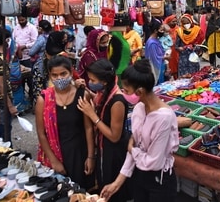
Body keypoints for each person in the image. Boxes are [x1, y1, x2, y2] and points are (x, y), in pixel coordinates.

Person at [100, 59, 179, 202]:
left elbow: (154, 162)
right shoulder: (139, 109)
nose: (123, 93)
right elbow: (136, 149)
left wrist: (132, 149)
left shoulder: (164, 118)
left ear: (140, 91)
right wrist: (116, 184)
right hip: (140, 176)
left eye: (126, 90)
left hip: (159, 181)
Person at [35, 56, 95, 190]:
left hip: (80, 154)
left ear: (71, 72)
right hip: (56, 154)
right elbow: (41, 133)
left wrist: (90, 157)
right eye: (54, 75)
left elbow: (88, 128)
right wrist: (54, 161)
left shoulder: (82, 95)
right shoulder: (43, 99)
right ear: (49, 76)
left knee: (81, 193)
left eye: (63, 74)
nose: (59, 78)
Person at [77, 59, 131, 202]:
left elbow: (114, 136)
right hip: (105, 148)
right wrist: (87, 91)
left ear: (105, 81)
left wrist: (92, 115)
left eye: (93, 80)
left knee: (113, 191)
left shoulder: (118, 101)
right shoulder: (104, 92)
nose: (91, 82)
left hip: (114, 152)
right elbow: (101, 103)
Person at [13, 16, 38, 101]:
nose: (21, 21)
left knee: (30, 78)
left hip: (28, 56)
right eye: (19, 20)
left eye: (23, 20)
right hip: (18, 58)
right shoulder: (16, 28)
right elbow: (14, 39)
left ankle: (32, 97)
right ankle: (22, 98)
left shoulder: (32, 28)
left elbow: (35, 41)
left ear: (26, 19)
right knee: (20, 79)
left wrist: (25, 46)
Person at [28, 20, 53, 102]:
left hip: (40, 65)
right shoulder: (52, 37)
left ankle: (40, 107)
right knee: (47, 86)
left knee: (38, 88)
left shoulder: (41, 38)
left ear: (41, 28)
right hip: (50, 65)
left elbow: (31, 52)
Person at [145, 19, 166, 85]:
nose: (162, 31)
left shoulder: (155, 40)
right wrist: (165, 57)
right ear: (155, 31)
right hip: (156, 69)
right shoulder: (152, 43)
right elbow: (155, 59)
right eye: (161, 30)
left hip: (160, 66)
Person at [163, 15, 179, 79]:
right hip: (167, 51)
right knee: (167, 67)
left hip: (176, 52)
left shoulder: (178, 29)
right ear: (168, 22)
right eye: (173, 21)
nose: (175, 23)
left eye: (176, 21)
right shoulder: (164, 29)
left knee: (176, 67)